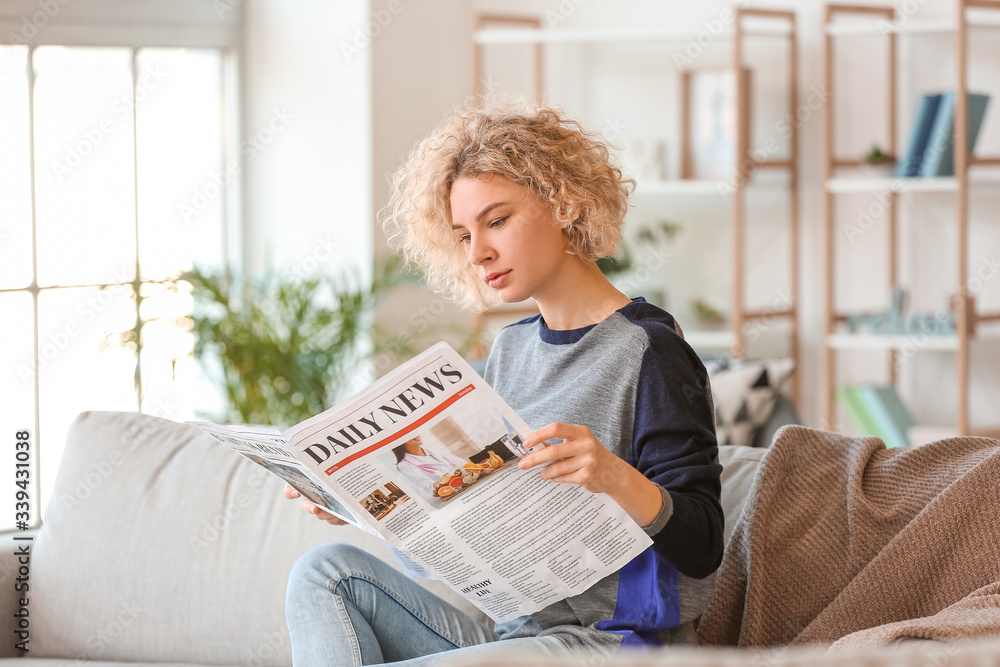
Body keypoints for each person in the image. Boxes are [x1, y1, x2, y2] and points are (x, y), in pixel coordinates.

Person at [282, 101, 723, 666]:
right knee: (325, 572)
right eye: (464, 234)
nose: (479, 252)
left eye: (496, 221)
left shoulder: (650, 349)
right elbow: (463, 528)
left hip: (610, 644)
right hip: (514, 639)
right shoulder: (510, 349)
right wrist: (359, 504)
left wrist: (612, 474)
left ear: (563, 203)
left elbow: (704, 543)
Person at [392, 435, 469, 500]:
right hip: (452, 496)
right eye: (409, 435)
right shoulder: (404, 465)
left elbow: (461, 463)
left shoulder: (434, 450)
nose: (416, 435)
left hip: (467, 483)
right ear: (399, 442)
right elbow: (428, 486)